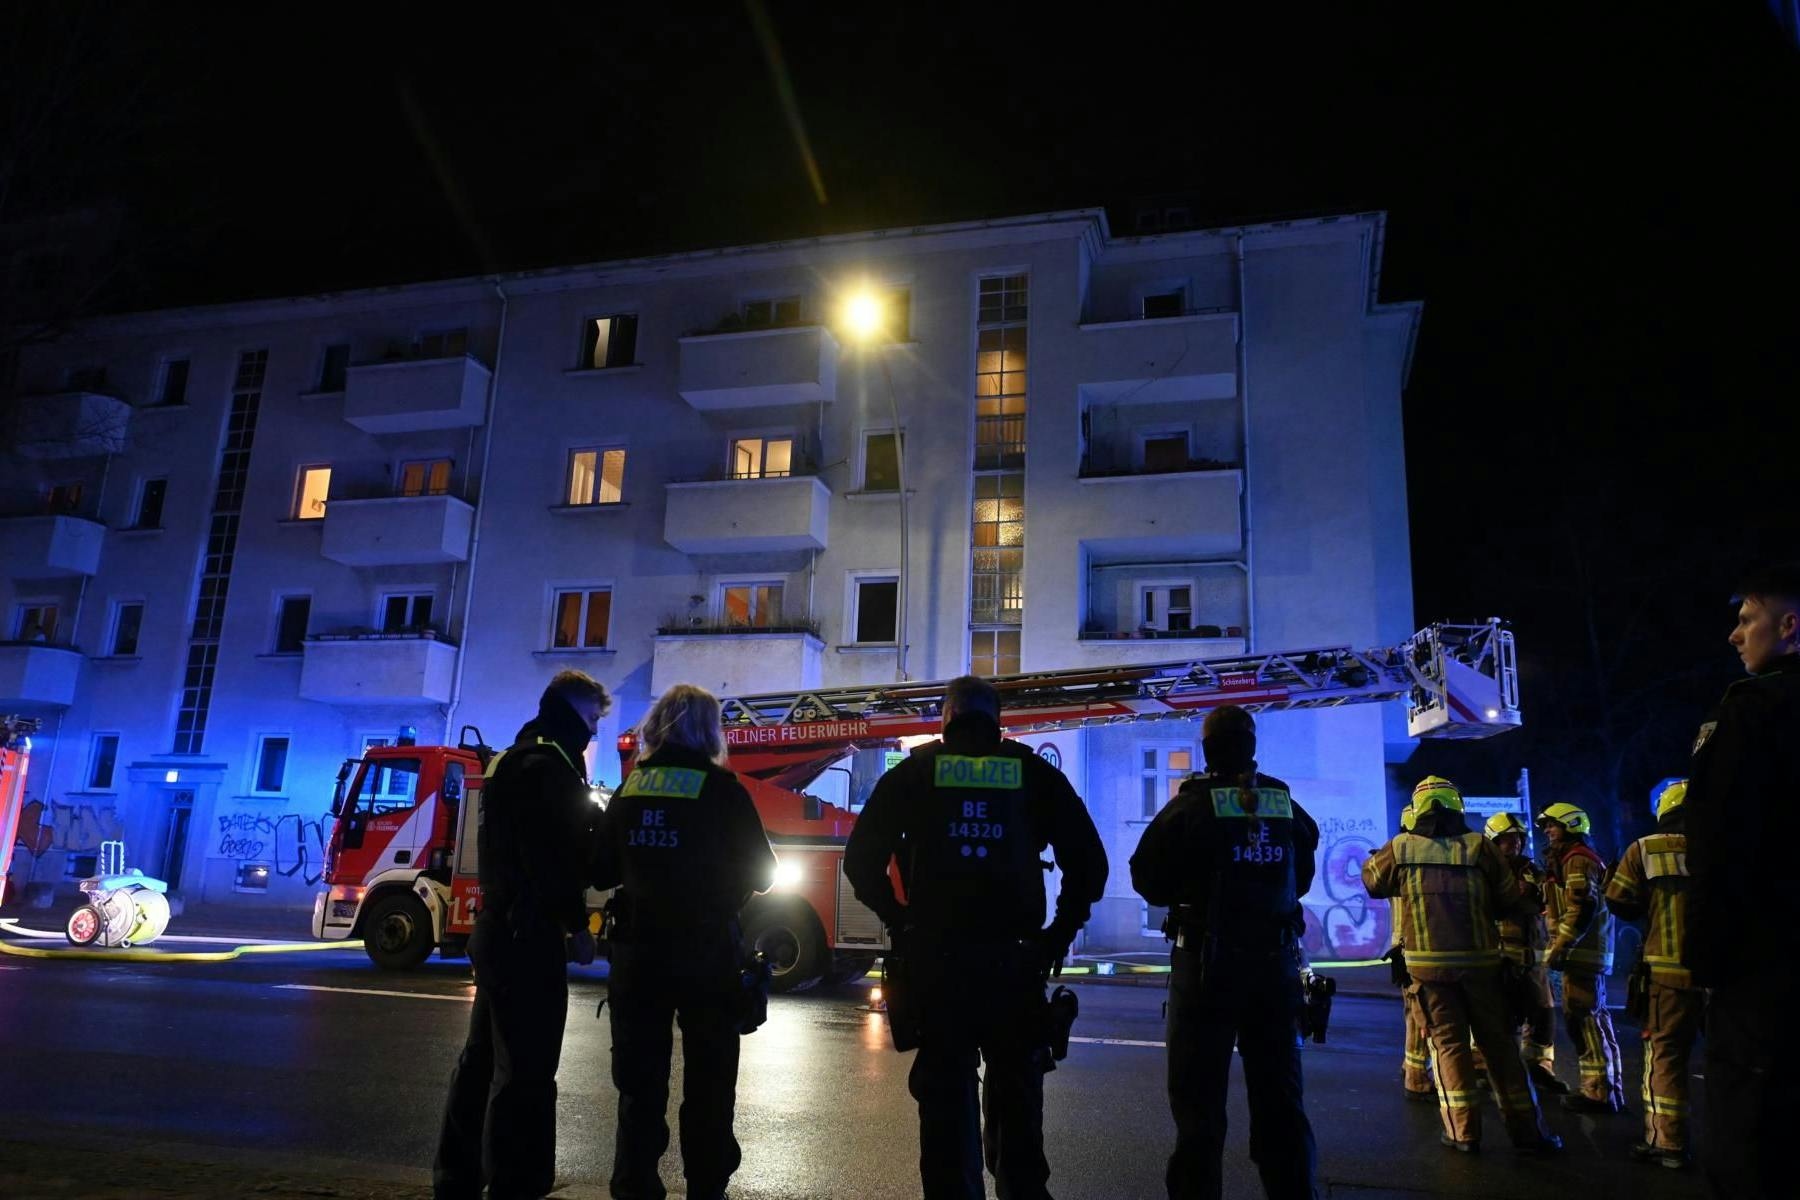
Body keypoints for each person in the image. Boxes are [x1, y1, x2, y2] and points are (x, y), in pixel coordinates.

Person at [844, 674, 1107, 1200]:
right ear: (998, 720)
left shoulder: (917, 774)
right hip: (1015, 966)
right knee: (1017, 1107)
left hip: (938, 968)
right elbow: (1089, 864)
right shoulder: (1032, 773)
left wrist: (900, 921)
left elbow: (860, 862)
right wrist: (1057, 934)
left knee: (945, 1108)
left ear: (945, 720)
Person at [1132, 704, 1322, 1199]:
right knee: (1282, 1105)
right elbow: (1302, 870)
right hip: (1275, 970)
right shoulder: (1281, 802)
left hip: (1206, 969)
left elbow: (1145, 875)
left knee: (1198, 1111)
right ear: (1252, 746)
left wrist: (1189, 889)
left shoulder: (1194, 803)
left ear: (1208, 748)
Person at [434, 670, 610, 1200]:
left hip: (499, 929)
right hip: (527, 934)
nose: (596, 732)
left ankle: (456, 1179)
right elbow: (552, 860)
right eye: (594, 720)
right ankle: (515, 1185)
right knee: (527, 1072)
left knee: (481, 1062)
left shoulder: (515, 757)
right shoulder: (547, 768)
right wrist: (578, 925)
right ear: (574, 714)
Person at [595, 683, 776, 1200]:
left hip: (639, 952)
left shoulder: (632, 788)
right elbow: (764, 871)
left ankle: (634, 1183)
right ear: (708, 732)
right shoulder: (722, 788)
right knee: (711, 1081)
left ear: (656, 728)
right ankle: (706, 1186)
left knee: (639, 1083)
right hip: (706, 952)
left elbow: (601, 869)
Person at [1363, 776, 1562, 1155]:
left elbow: (1373, 882)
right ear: (1457, 806)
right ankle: (1527, 1133)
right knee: (1500, 1048)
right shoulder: (1479, 847)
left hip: (1428, 972)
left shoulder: (1401, 847)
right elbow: (1506, 900)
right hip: (1482, 966)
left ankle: (1463, 1134)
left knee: (1449, 1048)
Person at [1686, 563, 1800, 1198]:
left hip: (1761, 969)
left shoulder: (1751, 715)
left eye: (1746, 620)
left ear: (1789, 628)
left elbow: (1723, 846)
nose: (1735, 635)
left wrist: (1705, 961)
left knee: (1751, 1139)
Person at [1606, 778, 1698, 1170]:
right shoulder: (1731, 845)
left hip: (1668, 972)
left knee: (1666, 1054)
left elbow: (1618, 900)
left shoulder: (1645, 848)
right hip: (1730, 973)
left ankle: (1668, 1143)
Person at [1537, 802, 1625, 1113]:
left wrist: (1560, 946)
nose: (1548, 831)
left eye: (1553, 825)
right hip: (1586, 952)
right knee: (1594, 1020)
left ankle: (1598, 1094)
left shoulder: (1576, 860)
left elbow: (1580, 908)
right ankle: (1605, 1089)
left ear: (1572, 825)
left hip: (1580, 953)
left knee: (1584, 1020)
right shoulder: (1574, 859)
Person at [1481, 811, 1565, 1097]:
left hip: (1534, 958)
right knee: (1500, 1019)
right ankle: (1486, 1070)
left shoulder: (1532, 869)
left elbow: (1545, 900)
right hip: (1501, 958)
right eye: (1506, 840)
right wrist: (1523, 895)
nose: (1514, 845)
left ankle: (1539, 1067)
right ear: (1493, 842)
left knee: (1543, 1015)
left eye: (1517, 839)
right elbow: (1504, 902)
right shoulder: (1486, 872)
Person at [1384, 803, 1435, 1102]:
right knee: (1420, 1015)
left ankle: (1412, 1068)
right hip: (1412, 948)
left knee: (1414, 1014)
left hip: (1402, 948)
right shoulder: (1412, 858)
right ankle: (1416, 1077)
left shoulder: (1399, 857)